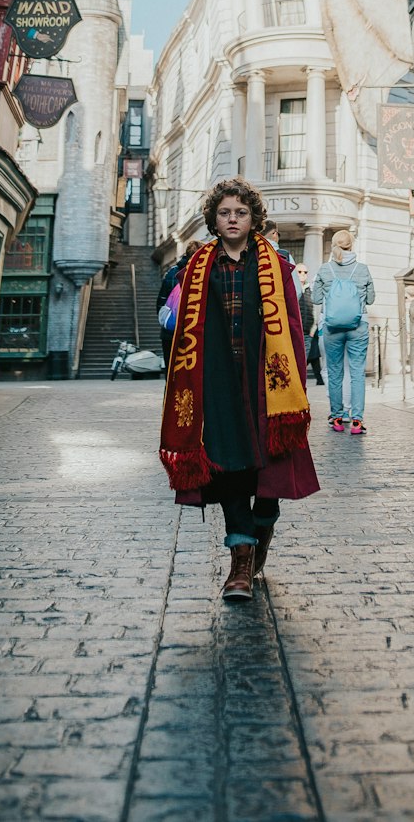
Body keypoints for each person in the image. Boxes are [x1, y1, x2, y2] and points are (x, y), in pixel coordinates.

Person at [159, 178, 319, 602]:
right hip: (217, 381)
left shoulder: (277, 266)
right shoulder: (195, 269)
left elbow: (296, 331)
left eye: (241, 212)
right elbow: (176, 330)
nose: (233, 219)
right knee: (230, 470)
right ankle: (240, 565)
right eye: (225, 212)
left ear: (253, 219)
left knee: (270, 471)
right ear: (214, 218)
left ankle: (262, 527)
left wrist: (298, 385)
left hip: (268, 380)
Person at [312, 230, 375, 436]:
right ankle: (357, 421)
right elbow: (371, 299)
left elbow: (316, 299)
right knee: (357, 373)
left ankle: (337, 417)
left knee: (335, 372)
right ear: (352, 244)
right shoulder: (362, 269)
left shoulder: (325, 269)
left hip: (332, 327)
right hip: (358, 326)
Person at [158, 239, 199, 367]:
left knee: (171, 370)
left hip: (170, 332)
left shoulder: (172, 272)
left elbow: (161, 302)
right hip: (193, 333)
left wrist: (167, 324)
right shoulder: (201, 273)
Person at [295, 264, 324, 386]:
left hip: (308, 333)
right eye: (300, 271)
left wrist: (313, 329)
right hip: (295, 332)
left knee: (304, 360)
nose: (302, 274)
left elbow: (316, 309)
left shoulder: (310, 290)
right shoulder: (291, 287)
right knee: (296, 361)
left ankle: (300, 387)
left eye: (305, 272)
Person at [263, 220, 303, 299]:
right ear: (274, 234)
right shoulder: (284, 256)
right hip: (279, 307)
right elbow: (296, 290)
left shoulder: (250, 254)